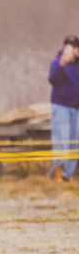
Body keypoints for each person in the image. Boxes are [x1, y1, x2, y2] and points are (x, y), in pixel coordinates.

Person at [48, 34, 79, 182]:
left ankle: (68, 174)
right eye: (69, 46)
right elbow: (53, 80)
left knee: (74, 141)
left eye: (74, 47)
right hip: (61, 106)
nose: (72, 50)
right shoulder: (57, 63)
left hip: (76, 109)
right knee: (61, 139)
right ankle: (58, 172)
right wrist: (62, 64)